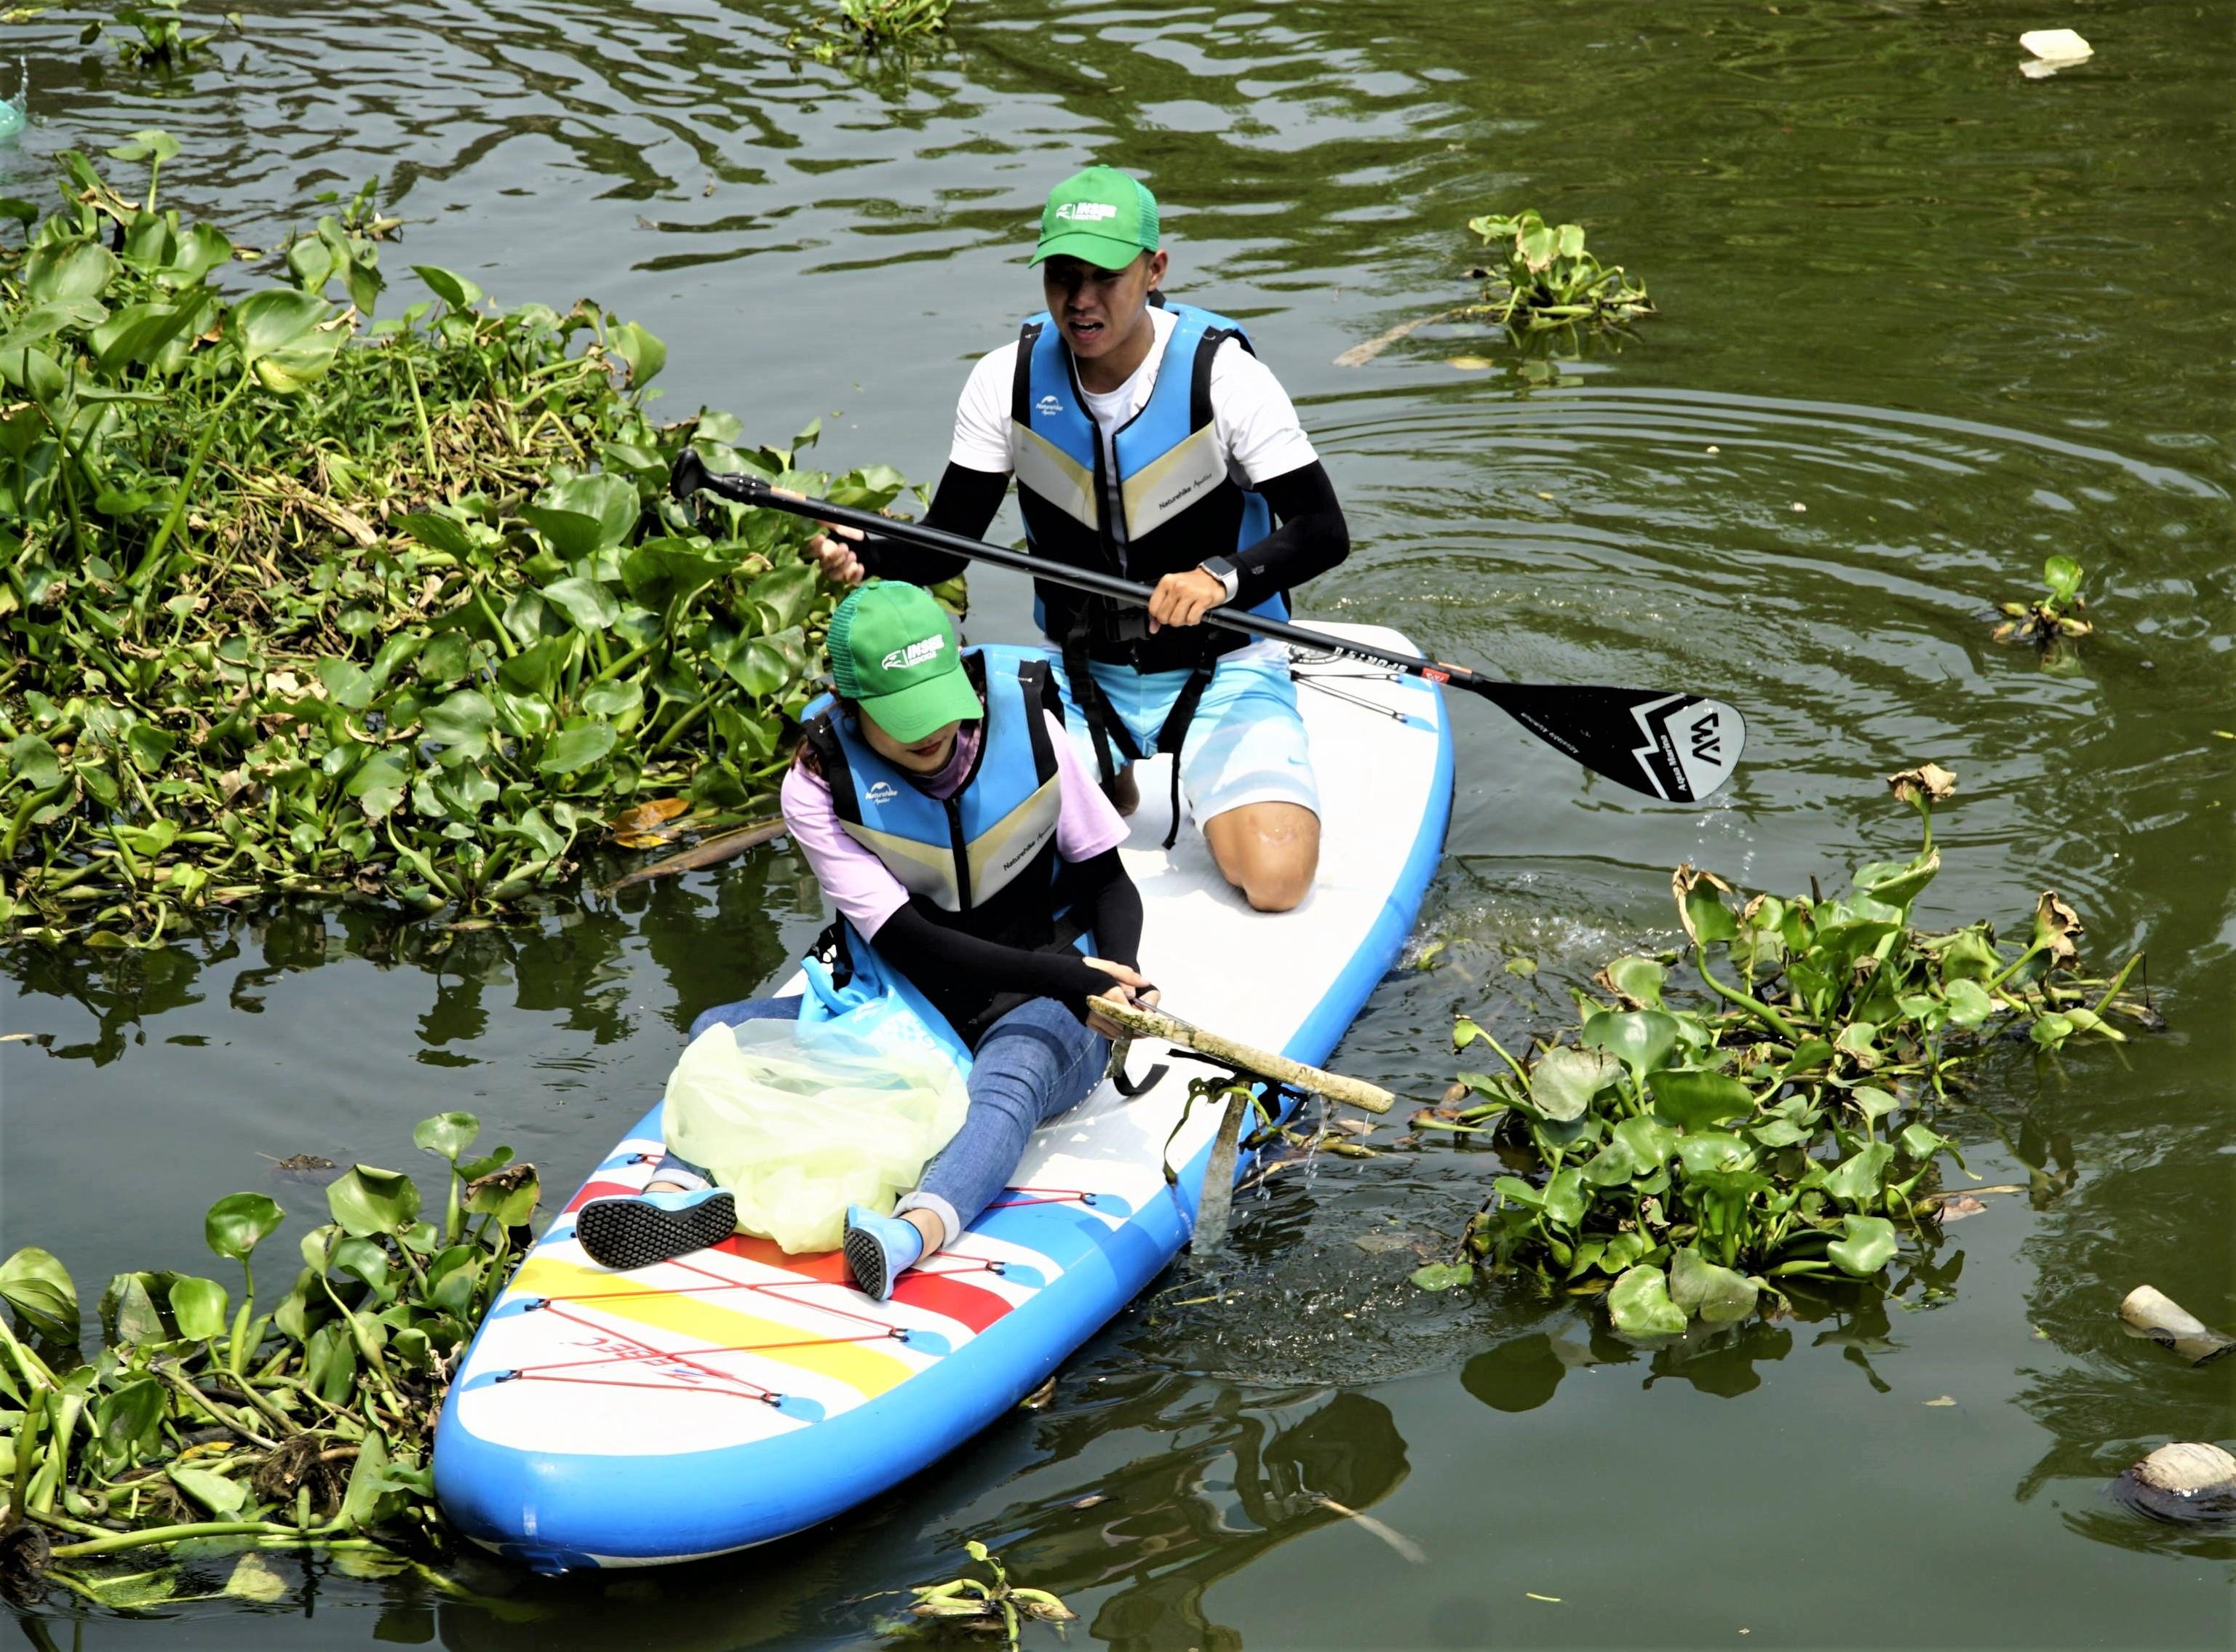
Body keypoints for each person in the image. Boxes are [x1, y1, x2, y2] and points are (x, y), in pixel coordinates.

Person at [576, 582, 1157, 1300]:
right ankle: (681, 1189)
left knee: (1011, 1074)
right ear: (849, 706)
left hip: (1048, 999)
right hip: (908, 999)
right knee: (720, 1034)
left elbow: (1107, 879)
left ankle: (909, 1231)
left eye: (939, 702)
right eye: (902, 715)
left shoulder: (1028, 722)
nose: (930, 732)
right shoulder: (817, 783)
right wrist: (1066, 980)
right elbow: (909, 942)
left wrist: (1113, 980)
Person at [809, 164, 1350, 914]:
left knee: (1275, 884)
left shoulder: (1225, 378)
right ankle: (1108, 769)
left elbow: (1323, 532)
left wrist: (1220, 578)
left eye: (1104, 277)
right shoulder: (1005, 380)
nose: (1081, 301)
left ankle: (1206, 774)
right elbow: (947, 544)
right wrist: (867, 555)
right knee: (989, 850)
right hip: (1075, 672)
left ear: (1155, 269)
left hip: (1219, 663)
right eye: (1062, 276)